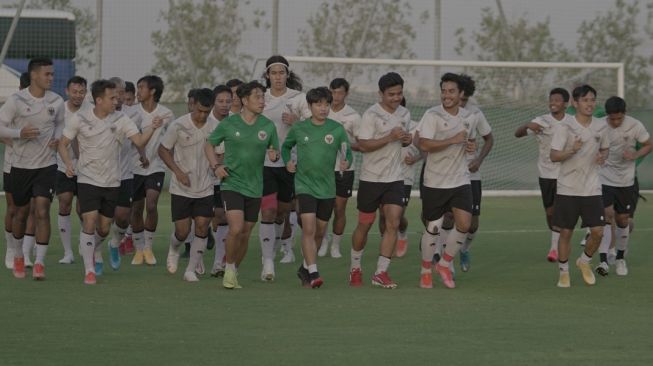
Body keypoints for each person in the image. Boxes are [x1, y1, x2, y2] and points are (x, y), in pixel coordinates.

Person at [58, 79, 162, 284]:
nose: (117, 100)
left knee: (104, 228)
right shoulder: (80, 119)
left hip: (113, 181)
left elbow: (140, 141)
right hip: (87, 179)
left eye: (117, 96)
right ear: (99, 100)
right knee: (89, 221)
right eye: (112, 97)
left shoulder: (122, 119)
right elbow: (63, 144)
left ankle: (96, 247)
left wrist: (152, 127)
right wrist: (69, 163)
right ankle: (89, 269)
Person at [206, 80, 279, 289]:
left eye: (263, 97)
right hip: (232, 183)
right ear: (245, 100)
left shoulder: (267, 126)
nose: (262, 101)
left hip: (255, 187)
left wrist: (274, 155)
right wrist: (215, 166)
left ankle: (234, 269)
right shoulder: (229, 124)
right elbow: (209, 145)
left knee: (246, 232)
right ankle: (227, 269)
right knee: (236, 228)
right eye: (257, 97)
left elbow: (274, 150)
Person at [0, 57, 64, 280]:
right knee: (19, 213)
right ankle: (17, 255)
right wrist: (19, 133)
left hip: (46, 165)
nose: (51, 78)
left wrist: (57, 138)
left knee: (43, 210)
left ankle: (39, 263)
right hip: (19, 166)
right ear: (34, 75)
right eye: (47, 74)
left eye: (52, 74)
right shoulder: (16, 101)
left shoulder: (57, 101)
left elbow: (60, 124)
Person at [282, 86, 352, 288]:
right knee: (309, 229)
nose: (323, 108)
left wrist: (346, 161)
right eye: (318, 104)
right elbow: (286, 147)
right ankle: (314, 273)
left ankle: (305, 268)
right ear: (310, 106)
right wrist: (288, 161)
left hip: (328, 188)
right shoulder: (299, 128)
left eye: (326, 104)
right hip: (304, 186)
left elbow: (347, 152)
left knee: (320, 232)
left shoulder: (336, 129)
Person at [349, 72, 412, 289]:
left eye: (399, 93)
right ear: (381, 94)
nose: (396, 98)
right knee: (364, 225)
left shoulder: (405, 113)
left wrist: (406, 139)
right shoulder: (371, 115)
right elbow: (364, 146)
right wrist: (389, 137)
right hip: (371, 179)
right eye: (391, 94)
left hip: (395, 179)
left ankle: (381, 272)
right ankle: (355, 267)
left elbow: (402, 144)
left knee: (393, 222)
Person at [416, 73, 476, 289]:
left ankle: (444, 263)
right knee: (433, 228)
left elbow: (470, 141)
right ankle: (425, 270)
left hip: (460, 179)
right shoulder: (432, 115)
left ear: (461, 94)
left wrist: (471, 147)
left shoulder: (470, 117)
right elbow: (424, 144)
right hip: (435, 181)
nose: (446, 95)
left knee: (465, 224)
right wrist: (452, 140)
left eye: (451, 91)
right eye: (444, 91)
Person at [550, 84, 608, 288]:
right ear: (575, 103)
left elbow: (605, 148)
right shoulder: (564, 127)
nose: (590, 104)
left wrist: (603, 156)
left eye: (592, 99)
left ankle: (584, 261)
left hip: (592, 188)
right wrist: (571, 150)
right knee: (566, 233)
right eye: (585, 100)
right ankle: (563, 273)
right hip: (567, 188)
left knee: (599, 232)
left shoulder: (601, 125)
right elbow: (554, 155)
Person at [259, 55, 311, 281]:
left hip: (290, 164)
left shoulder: (298, 99)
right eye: (274, 73)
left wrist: (296, 122)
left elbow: (313, 127)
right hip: (265, 163)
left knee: (282, 212)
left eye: (282, 73)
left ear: (287, 75)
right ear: (267, 76)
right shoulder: (260, 98)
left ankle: (281, 245)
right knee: (268, 211)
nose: (278, 77)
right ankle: (267, 261)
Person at [160, 88, 217, 282]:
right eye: (199, 110)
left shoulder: (215, 127)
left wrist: (217, 166)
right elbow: (163, 150)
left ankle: (191, 269)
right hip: (181, 188)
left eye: (206, 112)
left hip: (206, 186)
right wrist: (178, 172)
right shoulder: (178, 125)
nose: (202, 115)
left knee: (202, 226)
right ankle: (174, 249)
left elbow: (221, 152)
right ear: (193, 105)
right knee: (182, 232)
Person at [595, 96, 650, 276]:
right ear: (607, 115)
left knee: (623, 220)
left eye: (619, 118)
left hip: (626, 181)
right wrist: (597, 156)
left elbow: (648, 144)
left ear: (624, 114)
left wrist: (635, 155)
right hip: (604, 177)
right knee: (606, 215)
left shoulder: (635, 125)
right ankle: (603, 261)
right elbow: (590, 146)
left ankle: (620, 258)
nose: (616, 122)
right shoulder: (599, 125)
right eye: (612, 118)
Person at [515, 88, 571, 262]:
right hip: (546, 173)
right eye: (551, 100)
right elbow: (517, 134)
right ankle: (555, 239)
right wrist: (526, 126)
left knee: (561, 211)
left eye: (557, 100)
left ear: (566, 104)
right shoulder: (542, 121)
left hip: (567, 173)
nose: (553, 103)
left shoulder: (572, 122)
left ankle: (554, 249)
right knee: (550, 212)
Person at [130, 75, 174, 266]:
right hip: (133, 168)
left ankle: (148, 248)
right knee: (136, 208)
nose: (138, 91)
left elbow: (172, 139)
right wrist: (141, 156)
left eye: (141, 87)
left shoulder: (167, 114)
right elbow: (134, 138)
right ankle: (139, 250)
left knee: (152, 205)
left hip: (156, 167)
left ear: (153, 91)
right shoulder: (132, 112)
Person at [316, 78, 361, 260]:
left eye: (340, 92)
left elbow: (361, 144)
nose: (336, 96)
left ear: (346, 93)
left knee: (339, 208)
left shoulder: (354, 116)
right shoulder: (321, 112)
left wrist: (344, 143)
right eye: (333, 92)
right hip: (323, 168)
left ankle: (335, 245)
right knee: (323, 207)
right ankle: (323, 241)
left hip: (344, 169)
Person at [104, 76, 142, 272]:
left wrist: (143, 155)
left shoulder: (133, 115)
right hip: (100, 176)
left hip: (125, 174)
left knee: (122, 217)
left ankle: (114, 244)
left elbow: (138, 139)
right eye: (114, 93)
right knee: (100, 222)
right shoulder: (98, 114)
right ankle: (94, 258)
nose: (118, 97)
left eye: (121, 93)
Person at [455, 74, 493, 272]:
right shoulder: (438, 112)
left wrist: (478, 160)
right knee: (445, 218)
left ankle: (464, 249)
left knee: (472, 223)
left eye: (464, 99)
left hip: (471, 175)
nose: (460, 102)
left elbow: (489, 139)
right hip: (447, 174)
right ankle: (439, 256)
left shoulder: (475, 113)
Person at [55, 76, 88, 264]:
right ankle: (68, 253)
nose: (78, 95)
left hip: (86, 167)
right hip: (63, 165)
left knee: (84, 209)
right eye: (74, 91)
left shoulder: (91, 110)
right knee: (65, 201)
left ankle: (84, 243)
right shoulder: (59, 110)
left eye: (81, 92)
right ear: (67, 91)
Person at [3, 72, 32, 269]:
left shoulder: (45, 105)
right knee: (14, 209)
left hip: (36, 166)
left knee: (32, 210)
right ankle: (11, 249)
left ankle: (25, 252)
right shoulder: (12, 104)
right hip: (12, 165)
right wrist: (13, 142)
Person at [207, 84, 233, 277]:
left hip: (227, 179)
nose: (224, 105)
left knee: (222, 216)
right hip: (203, 178)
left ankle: (219, 263)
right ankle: (196, 258)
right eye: (220, 101)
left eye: (228, 101)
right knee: (202, 220)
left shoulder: (237, 122)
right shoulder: (205, 122)